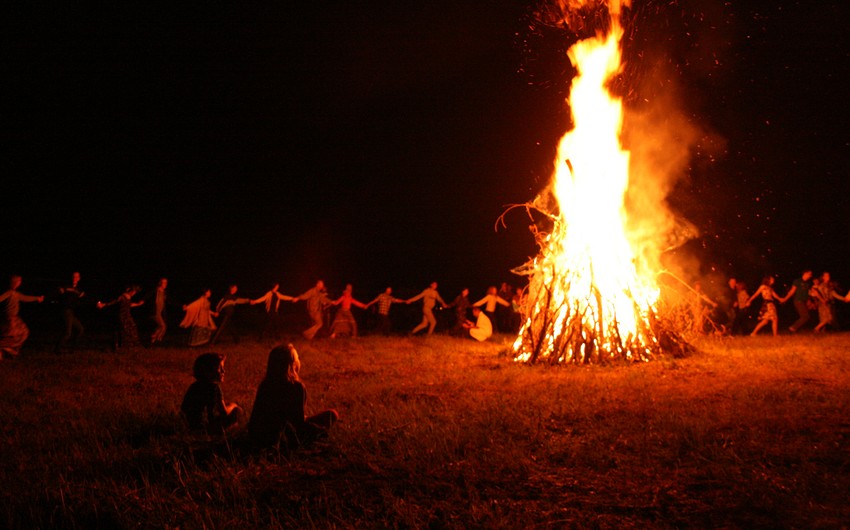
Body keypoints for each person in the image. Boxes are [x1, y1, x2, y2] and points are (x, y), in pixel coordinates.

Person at [247, 344, 339, 451]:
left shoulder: (265, 384)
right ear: (292, 365)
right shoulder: (296, 387)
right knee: (332, 414)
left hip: (256, 436)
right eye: (297, 358)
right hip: (280, 437)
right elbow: (296, 424)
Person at [180, 352, 243, 435]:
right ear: (208, 370)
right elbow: (224, 412)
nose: (223, 371)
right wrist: (233, 405)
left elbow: (184, 408)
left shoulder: (194, 386)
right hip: (208, 427)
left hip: (192, 426)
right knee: (237, 411)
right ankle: (228, 432)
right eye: (219, 368)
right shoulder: (214, 388)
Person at [0, 275, 45, 359]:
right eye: (19, 281)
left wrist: (37, 298)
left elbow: (25, 298)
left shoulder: (15, 293)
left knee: (24, 333)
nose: (20, 282)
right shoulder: (9, 292)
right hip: (10, 318)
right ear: (15, 282)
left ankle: (9, 349)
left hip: (15, 317)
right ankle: (5, 348)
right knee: (12, 336)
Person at [97, 284, 144, 353]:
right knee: (124, 330)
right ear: (130, 291)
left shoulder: (129, 297)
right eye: (134, 292)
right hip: (122, 316)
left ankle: (132, 345)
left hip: (128, 315)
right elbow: (114, 301)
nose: (134, 293)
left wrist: (138, 304)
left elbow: (129, 305)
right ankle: (121, 346)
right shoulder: (122, 297)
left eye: (135, 292)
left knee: (132, 328)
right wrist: (104, 304)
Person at [55, 271, 85, 354]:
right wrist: (60, 290)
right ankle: (58, 349)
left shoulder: (79, 289)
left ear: (79, 278)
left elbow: (82, 297)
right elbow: (59, 290)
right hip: (66, 311)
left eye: (76, 277)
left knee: (80, 329)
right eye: (73, 277)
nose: (75, 278)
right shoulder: (66, 286)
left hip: (71, 312)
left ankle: (72, 347)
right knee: (68, 333)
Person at [147, 278, 171, 346]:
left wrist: (181, 305)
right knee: (163, 326)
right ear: (160, 283)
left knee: (162, 327)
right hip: (154, 312)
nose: (165, 284)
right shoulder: (156, 290)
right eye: (164, 283)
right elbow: (148, 295)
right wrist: (142, 300)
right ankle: (155, 337)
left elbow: (170, 300)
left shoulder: (164, 292)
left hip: (160, 313)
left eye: (166, 283)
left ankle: (153, 340)